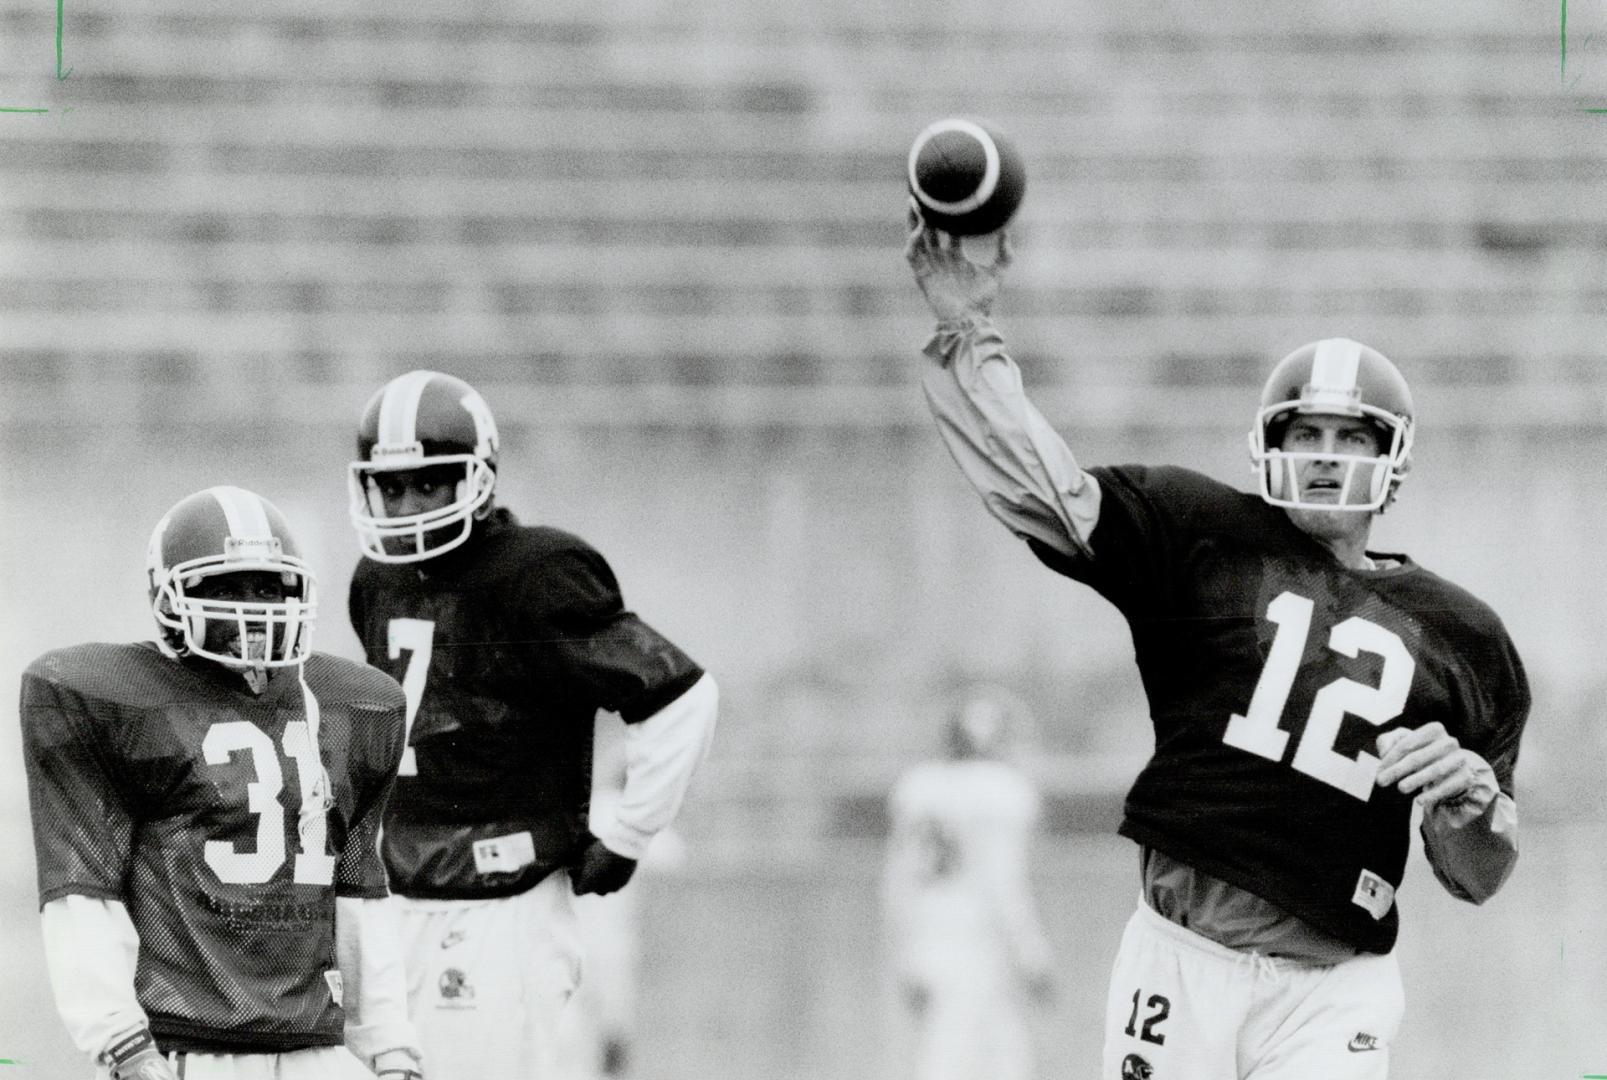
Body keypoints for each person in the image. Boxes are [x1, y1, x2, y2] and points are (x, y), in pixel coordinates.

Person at [904, 221, 1531, 1080]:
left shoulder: (1466, 637)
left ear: (1394, 459)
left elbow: (1477, 875)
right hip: (1180, 954)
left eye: (1352, 438)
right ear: (1268, 444)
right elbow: (1041, 491)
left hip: (1334, 986)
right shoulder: (1201, 535)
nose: (1325, 456)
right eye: (1307, 433)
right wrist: (967, 333)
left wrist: (1468, 804)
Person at [344, 370, 719, 1080]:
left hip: (499, 904)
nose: (408, 504)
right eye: (391, 487)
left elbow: (681, 696)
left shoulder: (536, 573)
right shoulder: (374, 579)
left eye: (428, 483)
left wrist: (630, 833)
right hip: (394, 896)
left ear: (478, 478)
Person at [20, 486, 423, 1080]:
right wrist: (122, 1043)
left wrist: (388, 1047)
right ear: (168, 595)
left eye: (266, 586)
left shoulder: (352, 706)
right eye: (225, 587)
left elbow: (358, 893)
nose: (251, 608)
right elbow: (84, 890)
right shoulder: (111, 699)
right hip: (187, 1048)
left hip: (317, 1046)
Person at [881, 687, 1056, 1080]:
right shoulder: (1001, 791)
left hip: (927, 941)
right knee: (974, 1061)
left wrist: (903, 955)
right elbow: (1004, 886)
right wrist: (1033, 956)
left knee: (964, 1056)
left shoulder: (918, 786)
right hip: (979, 947)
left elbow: (897, 885)